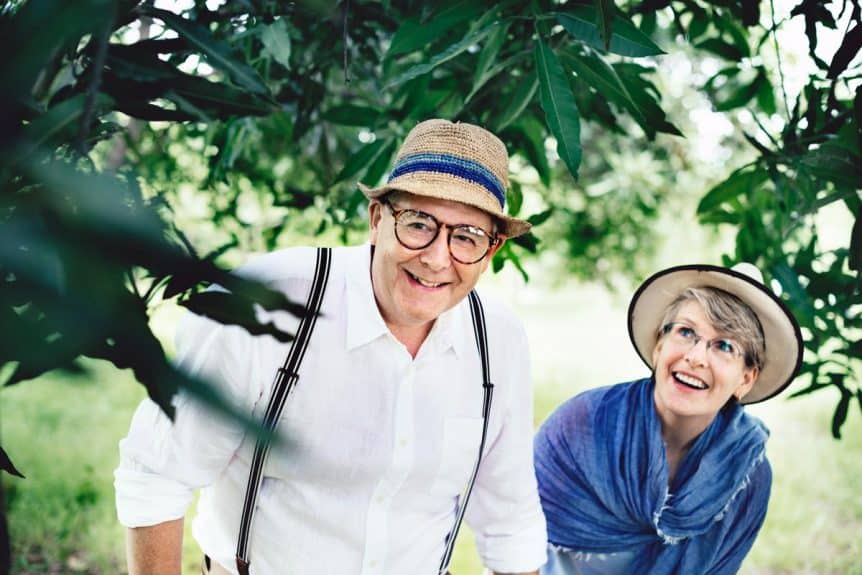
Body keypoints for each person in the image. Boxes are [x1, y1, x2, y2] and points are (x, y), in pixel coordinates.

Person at [114, 119, 547, 575]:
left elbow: (510, 522)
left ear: (492, 250)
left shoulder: (498, 341)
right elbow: (158, 475)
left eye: (466, 237)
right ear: (377, 220)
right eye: (419, 224)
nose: (438, 258)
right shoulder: (267, 303)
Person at [534, 263, 803, 575]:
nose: (696, 357)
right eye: (686, 332)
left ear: (746, 378)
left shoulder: (745, 473)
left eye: (724, 346)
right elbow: (514, 541)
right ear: (659, 346)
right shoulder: (580, 425)